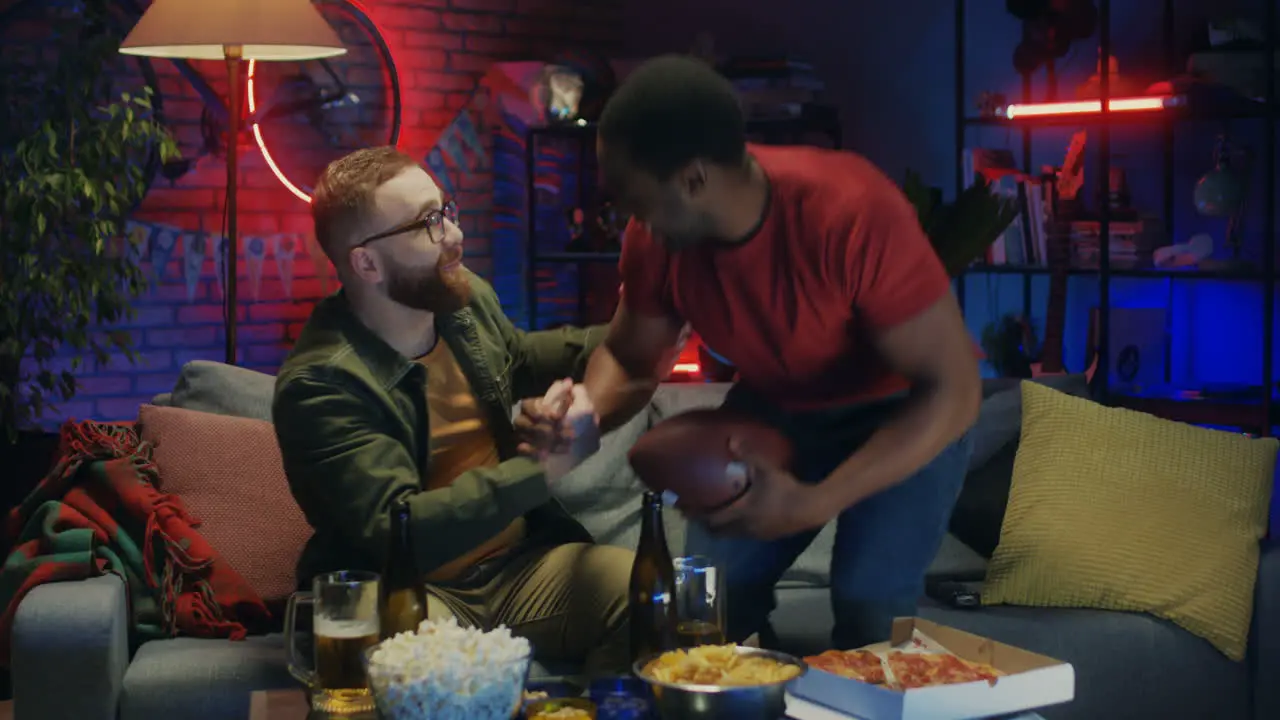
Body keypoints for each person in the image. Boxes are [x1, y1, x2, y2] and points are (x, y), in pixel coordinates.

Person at [577, 55, 982, 651]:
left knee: (870, 603)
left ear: (693, 180)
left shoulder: (849, 210)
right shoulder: (658, 236)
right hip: (781, 403)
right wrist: (579, 417)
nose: (627, 221)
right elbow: (633, 358)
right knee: (705, 602)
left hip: (905, 410)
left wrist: (816, 501)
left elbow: (955, 390)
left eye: (632, 200)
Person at [272, 146, 630, 674]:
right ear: (366, 262)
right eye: (427, 224)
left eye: (447, 211)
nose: (455, 236)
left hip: (521, 569)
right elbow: (399, 531)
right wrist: (542, 470)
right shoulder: (321, 384)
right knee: (434, 668)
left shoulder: (460, 301)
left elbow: (524, 358)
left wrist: (640, 325)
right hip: (410, 591)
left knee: (653, 598)